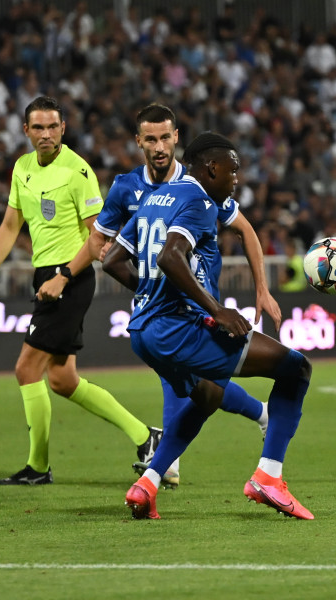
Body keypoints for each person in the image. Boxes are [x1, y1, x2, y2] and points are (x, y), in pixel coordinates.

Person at [103, 132, 314, 520]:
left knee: (209, 396)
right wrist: (217, 310)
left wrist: (151, 293)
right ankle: (269, 477)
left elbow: (113, 260)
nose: (236, 179)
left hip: (143, 331)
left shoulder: (155, 198)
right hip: (179, 328)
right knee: (297, 368)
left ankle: (147, 483)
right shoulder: (199, 201)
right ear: (211, 168)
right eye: (232, 171)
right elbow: (170, 256)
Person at [0, 96, 162, 486]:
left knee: (26, 369)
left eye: (52, 127)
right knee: (61, 380)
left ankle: (38, 467)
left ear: (63, 129)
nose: (45, 134)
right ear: (26, 131)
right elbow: (9, 226)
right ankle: (146, 436)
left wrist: (63, 277)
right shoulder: (22, 168)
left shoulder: (77, 172)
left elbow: (98, 236)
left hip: (69, 279)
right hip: (47, 278)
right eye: (37, 128)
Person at [85, 104, 276, 489]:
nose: (158, 146)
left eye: (165, 137)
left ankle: (165, 465)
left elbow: (247, 231)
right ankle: (261, 415)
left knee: (194, 383)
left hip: (196, 309)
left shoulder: (205, 185)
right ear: (138, 141)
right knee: (199, 384)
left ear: (176, 138)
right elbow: (100, 244)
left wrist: (262, 289)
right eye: (150, 138)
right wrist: (145, 285)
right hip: (156, 309)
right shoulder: (126, 187)